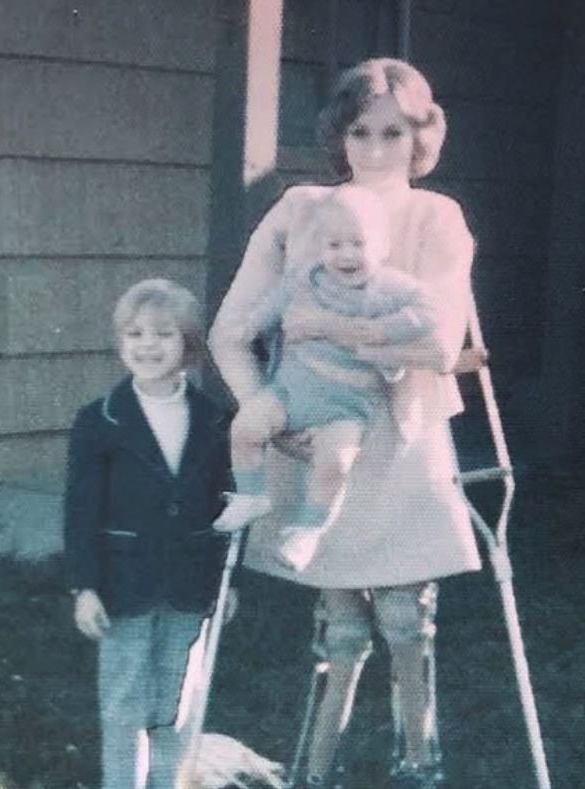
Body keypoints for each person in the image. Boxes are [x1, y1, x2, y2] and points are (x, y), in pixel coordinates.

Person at [208, 58, 487, 788]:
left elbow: (436, 340)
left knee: (405, 614)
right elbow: (229, 330)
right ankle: (314, 769)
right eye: (359, 130)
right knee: (338, 622)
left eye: (392, 131)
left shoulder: (436, 217)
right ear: (340, 134)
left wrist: (328, 324)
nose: (373, 147)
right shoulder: (300, 209)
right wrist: (261, 413)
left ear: (419, 136)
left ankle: (419, 762)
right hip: (314, 432)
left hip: (403, 433)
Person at [63, 278, 235, 789]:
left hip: (189, 586)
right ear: (120, 343)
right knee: (123, 705)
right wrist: (85, 586)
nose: (147, 345)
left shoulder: (213, 420)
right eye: (135, 334)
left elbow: (223, 504)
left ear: (188, 345)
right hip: (122, 586)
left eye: (163, 334)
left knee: (175, 704)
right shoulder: (101, 420)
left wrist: (227, 585)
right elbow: (81, 510)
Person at [214, 184, 434, 572]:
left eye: (358, 244)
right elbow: (276, 301)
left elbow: (428, 309)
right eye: (334, 245)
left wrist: (386, 331)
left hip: (346, 406)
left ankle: (309, 531)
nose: (345, 255)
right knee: (245, 427)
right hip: (291, 390)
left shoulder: (390, 289)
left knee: (334, 466)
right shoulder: (306, 278)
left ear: (382, 247)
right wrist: (252, 325)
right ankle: (251, 495)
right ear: (321, 247)